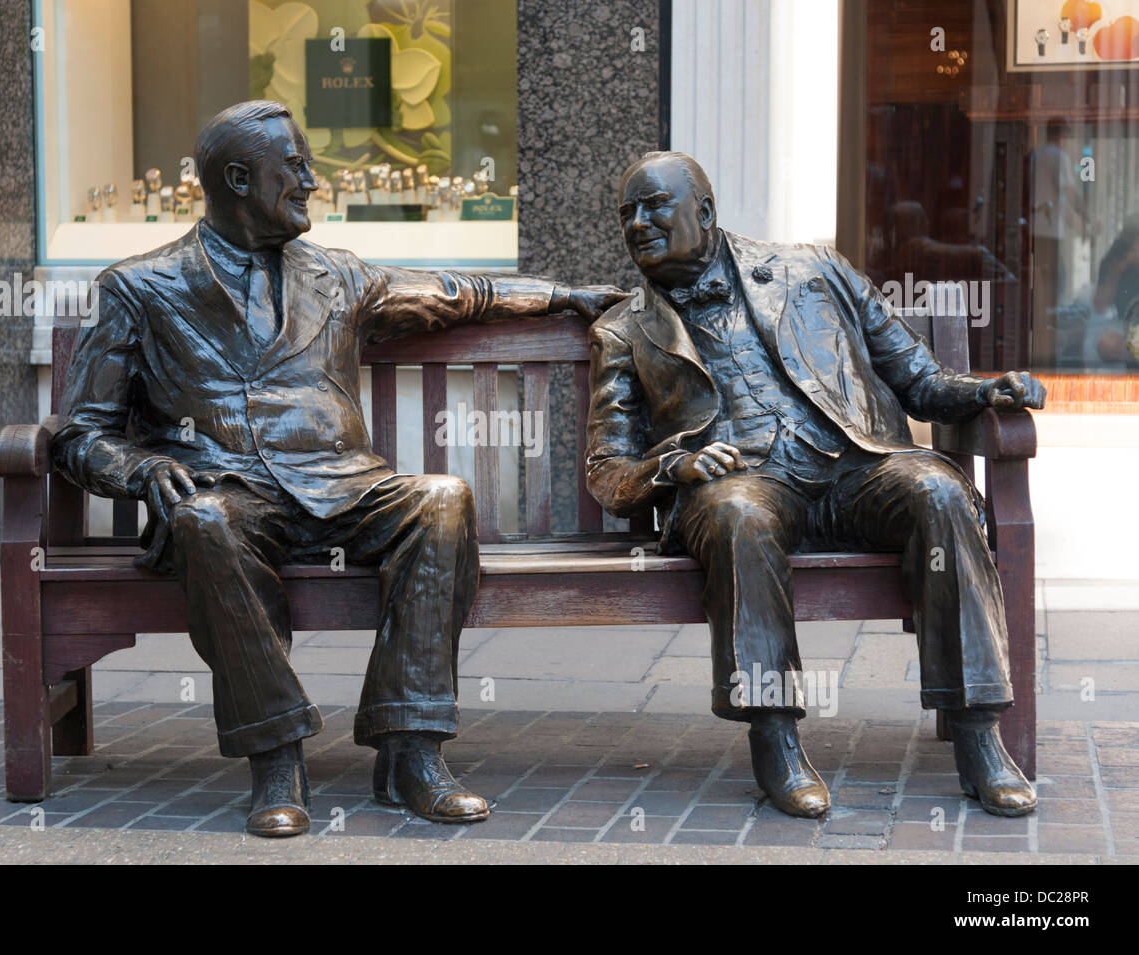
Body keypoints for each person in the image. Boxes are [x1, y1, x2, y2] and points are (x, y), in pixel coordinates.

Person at [51, 100, 625, 837]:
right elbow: (79, 433)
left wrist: (565, 296)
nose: (312, 180)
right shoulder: (141, 286)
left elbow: (455, 294)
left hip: (343, 484)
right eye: (293, 166)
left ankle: (410, 750)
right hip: (228, 493)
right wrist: (136, 470)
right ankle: (277, 757)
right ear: (237, 177)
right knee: (202, 519)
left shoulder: (338, 275)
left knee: (441, 499)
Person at [585, 151, 1044, 819]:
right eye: (627, 214)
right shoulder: (622, 329)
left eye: (655, 206)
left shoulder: (815, 269)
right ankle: (776, 742)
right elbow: (607, 470)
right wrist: (672, 466)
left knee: (939, 489)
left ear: (705, 213)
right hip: (744, 485)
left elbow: (919, 381)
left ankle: (978, 738)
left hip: (854, 468)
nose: (638, 223)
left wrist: (986, 390)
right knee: (740, 511)